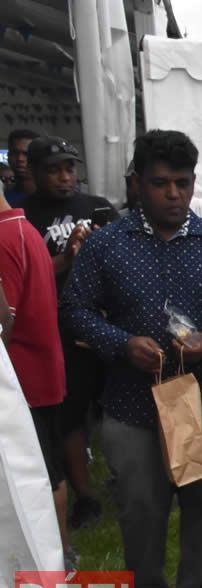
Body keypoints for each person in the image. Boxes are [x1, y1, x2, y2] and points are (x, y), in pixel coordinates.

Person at [62, 129, 202, 588]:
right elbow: (75, 310)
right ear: (137, 183)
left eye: (182, 183)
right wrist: (119, 344)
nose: (173, 194)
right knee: (139, 501)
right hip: (133, 400)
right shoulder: (107, 245)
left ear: (194, 184)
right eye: (160, 183)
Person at [20, 136, 116, 530]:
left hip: (106, 322)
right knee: (70, 416)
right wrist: (68, 257)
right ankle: (86, 497)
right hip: (58, 329)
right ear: (35, 172)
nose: (64, 177)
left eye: (69, 168)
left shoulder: (96, 207)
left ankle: (131, 479)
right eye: (55, 169)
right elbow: (26, 279)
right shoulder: (23, 215)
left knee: (119, 407)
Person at [0, 192, 70, 564]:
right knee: (48, 468)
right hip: (41, 370)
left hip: (23, 379)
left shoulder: (5, 236)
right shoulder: (24, 229)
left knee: (43, 473)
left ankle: (58, 560)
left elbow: (2, 324)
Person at [5, 128, 38, 206]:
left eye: (26, 154)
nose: (20, 159)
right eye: (15, 153)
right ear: (8, 156)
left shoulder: (52, 195)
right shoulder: (3, 197)